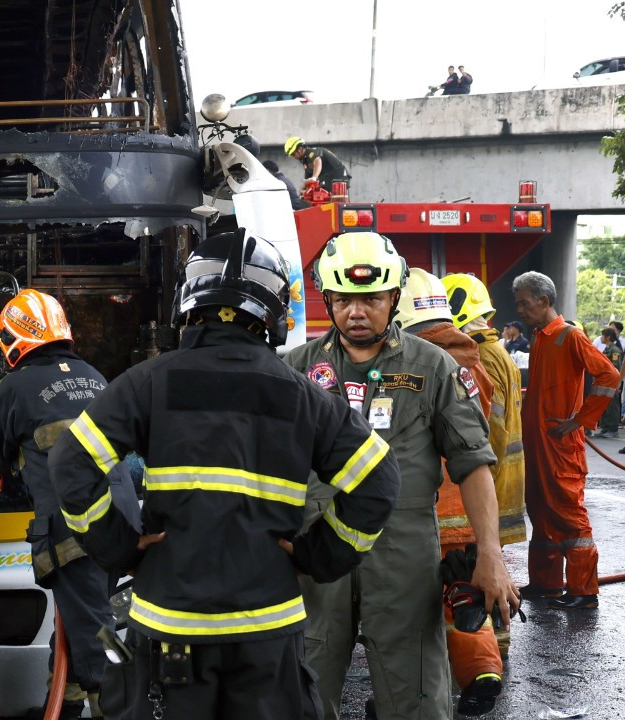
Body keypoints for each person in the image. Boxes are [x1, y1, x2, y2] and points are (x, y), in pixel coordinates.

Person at [49, 228, 402, 720]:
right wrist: (316, 555)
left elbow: (70, 461)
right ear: (275, 312)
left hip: (170, 626)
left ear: (188, 301)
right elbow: (379, 480)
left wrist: (119, 546)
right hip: (268, 631)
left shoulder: (149, 381)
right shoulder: (303, 395)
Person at [284, 232, 518, 720]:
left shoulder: (433, 367)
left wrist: (491, 554)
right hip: (315, 551)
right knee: (302, 689)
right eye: (344, 299)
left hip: (405, 552)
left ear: (394, 297)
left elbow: (473, 462)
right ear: (327, 298)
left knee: (414, 694)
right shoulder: (295, 371)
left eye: (370, 298)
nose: (356, 311)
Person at [0, 288, 131, 718]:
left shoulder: (14, 387)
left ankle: (119, 699)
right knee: (79, 625)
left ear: (12, 339)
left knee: (96, 640)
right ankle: (62, 707)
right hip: (119, 527)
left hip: (73, 535)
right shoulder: (96, 377)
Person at [396, 269, 503, 716]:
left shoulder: (410, 364)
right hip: (471, 505)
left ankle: (409, 695)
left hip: (424, 509)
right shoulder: (473, 359)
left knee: (414, 610)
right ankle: (482, 673)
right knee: (463, 595)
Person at [513, 271, 619, 609]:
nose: (520, 310)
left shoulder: (569, 336)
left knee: (570, 516)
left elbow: (609, 375)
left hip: (559, 446)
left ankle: (583, 591)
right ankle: (546, 583)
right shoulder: (540, 336)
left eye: (524, 303)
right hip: (539, 442)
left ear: (543, 301)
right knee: (542, 511)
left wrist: (580, 420)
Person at [443, 272, 528, 661]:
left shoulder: (480, 357)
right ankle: (498, 639)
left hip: (489, 478)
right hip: (501, 477)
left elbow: (482, 429)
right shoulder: (497, 352)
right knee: (488, 565)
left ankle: (494, 643)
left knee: (481, 568)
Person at [283, 137, 350, 194]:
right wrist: (300, 193)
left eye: (293, 154)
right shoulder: (306, 161)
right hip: (328, 179)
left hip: (338, 178)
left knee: (333, 201)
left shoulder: (312, 152)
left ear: (300, 149)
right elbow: (307, 182)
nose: (294, 157)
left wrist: (314, 178)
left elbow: (318, 161)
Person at [597, 327, 624, 438]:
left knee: (612, 406)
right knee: (606, 405)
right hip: (605, 382)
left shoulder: (615, 351)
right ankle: (606, 427)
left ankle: (613, 428)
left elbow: (616, 368)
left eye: (603, 335)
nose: (601, 338)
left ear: (608, 337)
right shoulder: (607, 349)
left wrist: (617, 384)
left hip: (612, 382)